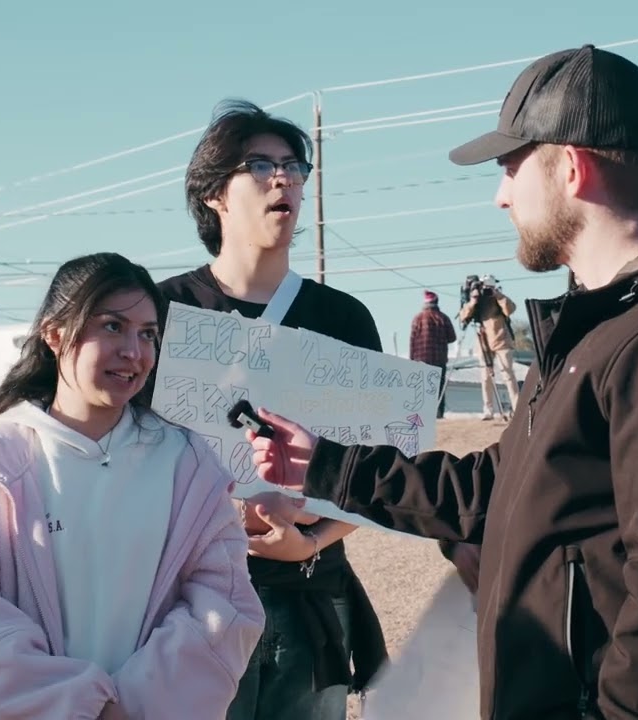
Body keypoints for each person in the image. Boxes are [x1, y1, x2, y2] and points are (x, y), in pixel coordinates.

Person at [244, 45, 638, 720]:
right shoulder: (598, 329)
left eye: (511, 168)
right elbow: (498, 488)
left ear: (570, 168)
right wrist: (325, 465)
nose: (501, 194)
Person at [0, 252, 264, 719]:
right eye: (112, 327)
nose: (134, 351)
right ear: (54, 334)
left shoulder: (188, 463)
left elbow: (225, 603)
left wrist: (133, 706)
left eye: (148, 334)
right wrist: (80, 707)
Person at [149, 98, 388, 720]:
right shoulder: (160, 311)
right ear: (214, 195)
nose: (282, 179)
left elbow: (379, 465)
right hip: (187, 602)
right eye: (259, 165)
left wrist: (312, 542)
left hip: (313, 597)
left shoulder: (344, 318)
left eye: (293, 167)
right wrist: (219, 512)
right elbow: (127, 453)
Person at [459, 274, 519, 420]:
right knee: (485, 377)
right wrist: (473, 300)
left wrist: (497, 295)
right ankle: (488, 410)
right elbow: (463, 317)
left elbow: (510, 309)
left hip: (502, 341)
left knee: (508, 375)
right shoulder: (477, 300)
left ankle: (517, 408)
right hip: (483, 342)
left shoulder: (498, 297)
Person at [408, 290, 456, 419]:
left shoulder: (417, 318)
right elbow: (452, 337)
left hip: (420, 359)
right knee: (439, 387)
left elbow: (412, 340)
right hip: (439, 358)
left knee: (422, 388)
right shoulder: (443, 318)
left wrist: (411, 359)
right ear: (436, 302)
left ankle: (423, 414)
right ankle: (438, 413)